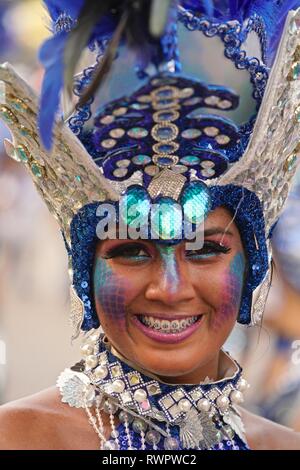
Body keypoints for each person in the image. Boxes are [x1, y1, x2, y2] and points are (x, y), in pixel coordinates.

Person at [0, 0, 300, 450]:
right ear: (85, 273)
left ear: (254, 265)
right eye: (131, 251)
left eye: (204, 250)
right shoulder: (18, 438)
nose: (170, 288)